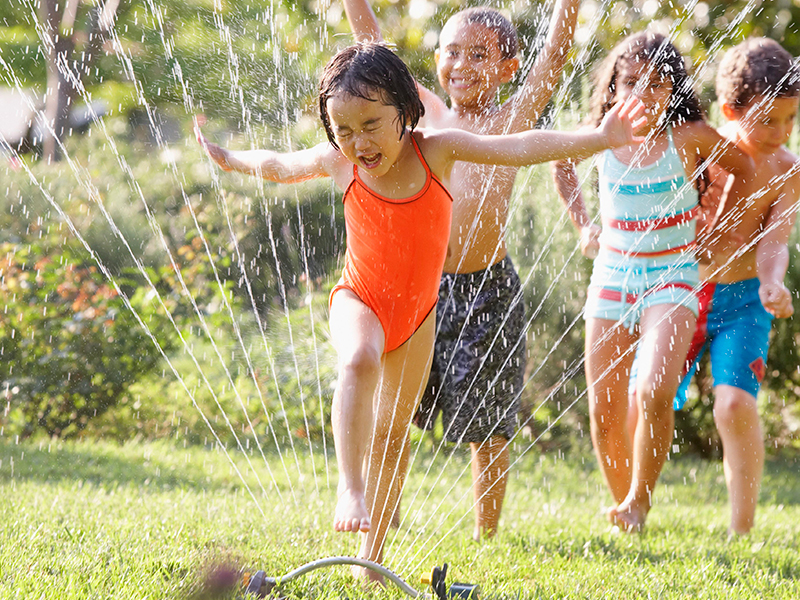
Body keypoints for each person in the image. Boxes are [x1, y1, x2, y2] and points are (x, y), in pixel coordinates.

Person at [198, 42, 646, 581]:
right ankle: (349, 487)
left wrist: (599, 138)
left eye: (371, 124)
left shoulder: (438, 151)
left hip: (417, 318)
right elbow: (276, 164)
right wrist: (230, 159)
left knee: (393, 436)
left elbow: (521, 145)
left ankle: (371, 557)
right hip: (358, 299)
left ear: (405, 111)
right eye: (343, 129)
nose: (359, 142)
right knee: (359, 358)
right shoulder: (339, 163)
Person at [344, 0, 581, 541]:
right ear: (435, 58)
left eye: (480, 54)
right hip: (417, 290)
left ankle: (485, 535)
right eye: (452, 51)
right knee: (392, 414)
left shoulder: (510, 120)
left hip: (487, 291)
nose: (462, 64)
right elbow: (371, 44)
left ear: (507, 68)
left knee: (488, 423)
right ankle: (385, 516)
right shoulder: (420, 113)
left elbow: (556, 54)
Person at [551, 31, 755, 533]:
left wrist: (719, 228)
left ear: (674, 90)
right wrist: (583, 224)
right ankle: (625, 509)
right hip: (613, 276)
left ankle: (640, 500)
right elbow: (560, 160)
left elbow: (745, 169)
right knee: (604, 406)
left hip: (673, 278)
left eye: (659, 85)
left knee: (654, 391)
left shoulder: (690, 139)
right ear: (614, 87)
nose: (645, 94)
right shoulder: (600, 134)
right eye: (633, 83)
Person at [663, 38, 798, 534]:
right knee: (651, 395)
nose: (781, 133)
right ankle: (634, 502)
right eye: (768, 120)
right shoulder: (703, 153)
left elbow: (774, 240)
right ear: (729, 111)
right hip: (681, 293)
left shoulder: (787, 169)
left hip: (743, 300)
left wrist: (772, 282)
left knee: (735, 403)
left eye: (791, 120)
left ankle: (741, 528)